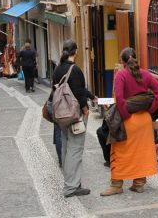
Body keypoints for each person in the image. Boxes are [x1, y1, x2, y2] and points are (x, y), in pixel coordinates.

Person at [100, 47, 158, 196]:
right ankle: (139, 183)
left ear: (122, 61)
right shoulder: (145, 74)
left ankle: (116, 185)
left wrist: (125, 115)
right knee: (141, 151)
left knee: (119, 152)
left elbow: (120, 99)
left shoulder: (121, 75)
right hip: (144, 120)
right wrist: (150, 110)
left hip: (128, 121)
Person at [50, 40, 94, 198]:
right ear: (75, 51)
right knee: (75, 150)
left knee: (67, 148)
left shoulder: (57, 69)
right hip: (74, 115)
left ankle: (72, 181)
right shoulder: (74, 69)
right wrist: (85, 108)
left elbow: (56, 90)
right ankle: (71, 187)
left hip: (62, 116)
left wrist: (92, 97)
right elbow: (78, 92)